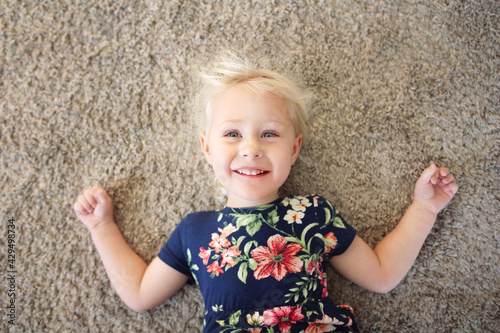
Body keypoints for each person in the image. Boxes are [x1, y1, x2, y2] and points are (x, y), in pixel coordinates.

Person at [74, 54, 458, 333]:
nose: (251, 148)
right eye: (232, 134)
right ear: (206, 149)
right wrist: (101, 228)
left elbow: (382, 274)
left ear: (294, 149)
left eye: (269, 134)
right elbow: (140, 295)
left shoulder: (312, 213)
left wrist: (424, 208)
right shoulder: (194, 231)